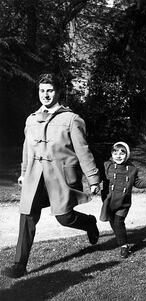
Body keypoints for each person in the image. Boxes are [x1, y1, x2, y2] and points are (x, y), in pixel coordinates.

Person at [1, 73, 101, 279]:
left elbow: (83, 151)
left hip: (58, 177)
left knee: (65, 218)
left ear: (59, 92)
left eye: (50, 90)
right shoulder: (31, 120)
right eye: (42, 90)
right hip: (34, 177)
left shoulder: (72, 119)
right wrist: (23, 174)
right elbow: (26, 150)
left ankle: (89, 223)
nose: (45, 95)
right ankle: (20, 264)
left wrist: (93, 178)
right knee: (27, 215)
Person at [100, 142, 146, 258]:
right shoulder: (107, 166)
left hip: (123, 202)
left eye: (122, 153)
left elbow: (138, 183)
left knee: (118, 222)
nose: (118, 156)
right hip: (108, 200)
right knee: (112, 221)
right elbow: (98, 177)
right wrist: (93, 185)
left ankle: (124, 246)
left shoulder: (132, 169)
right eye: (115, 153)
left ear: (127, 154)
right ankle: (121, 238)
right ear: (111, 154)